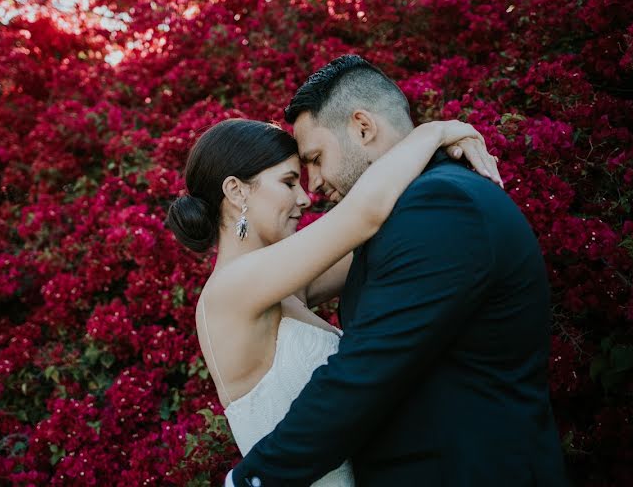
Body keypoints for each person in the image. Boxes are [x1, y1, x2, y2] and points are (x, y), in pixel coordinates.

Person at [225, 55, 569, 486]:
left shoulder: (441, 206)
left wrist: (250, 480)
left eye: (314, 158)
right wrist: (434, 131)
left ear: (363, 127)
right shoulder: (409, 211)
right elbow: (297, 285)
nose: (312, 185)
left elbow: (365, 371)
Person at [167, 113, 501, 484]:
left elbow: (383, 234)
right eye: (289, 182)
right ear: (236, 191)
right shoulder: (230, 290)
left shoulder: (284, 285)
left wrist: (443, 160)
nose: (304, 198)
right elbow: (364, 216)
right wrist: (435, 131)